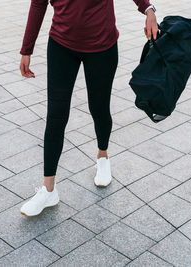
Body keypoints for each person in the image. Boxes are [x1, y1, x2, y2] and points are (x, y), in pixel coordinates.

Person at [19, 0, 158, 216]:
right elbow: (38, 4)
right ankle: (48, 190)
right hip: (61, 44)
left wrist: (148, 9)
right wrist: (27, 49)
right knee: (56, 115)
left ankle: (102, 157)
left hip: (102, 46)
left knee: (99, 108)